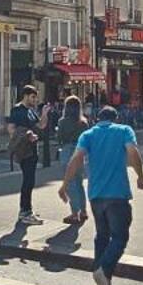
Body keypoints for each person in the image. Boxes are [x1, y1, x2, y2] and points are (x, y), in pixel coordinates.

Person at [61, 104, 143, 285]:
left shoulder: (88, 135)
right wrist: (140, 176)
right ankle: (103, 269)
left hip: (95, 195)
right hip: (117, 194)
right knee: (120, 237)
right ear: (115, 118)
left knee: (102, 236)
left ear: (98, 119)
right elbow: (133, 152)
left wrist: (64, 185)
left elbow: (75, 160)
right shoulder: (124, 130)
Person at [7, 85, 50, 223]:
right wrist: (26, 136)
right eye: (33, 97)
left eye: (35, 97)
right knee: (28, 181)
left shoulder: (31, 111)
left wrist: (44, 113)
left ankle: (26, 210)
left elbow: (41, 126)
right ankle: (25, 212)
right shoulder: (18, 110)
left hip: (32, 148)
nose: (35, 100)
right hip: (24, 149)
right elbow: (12, 129)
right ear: (25, 96)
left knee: (30, 181)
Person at [55, 92, 88, 226]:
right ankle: (84, 211)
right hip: (80, 151)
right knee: (79, 182)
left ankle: (75, 213)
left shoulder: (62, 122)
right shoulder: (83, 122)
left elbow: (60, 138)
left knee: (70, 183)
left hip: (68, 150)